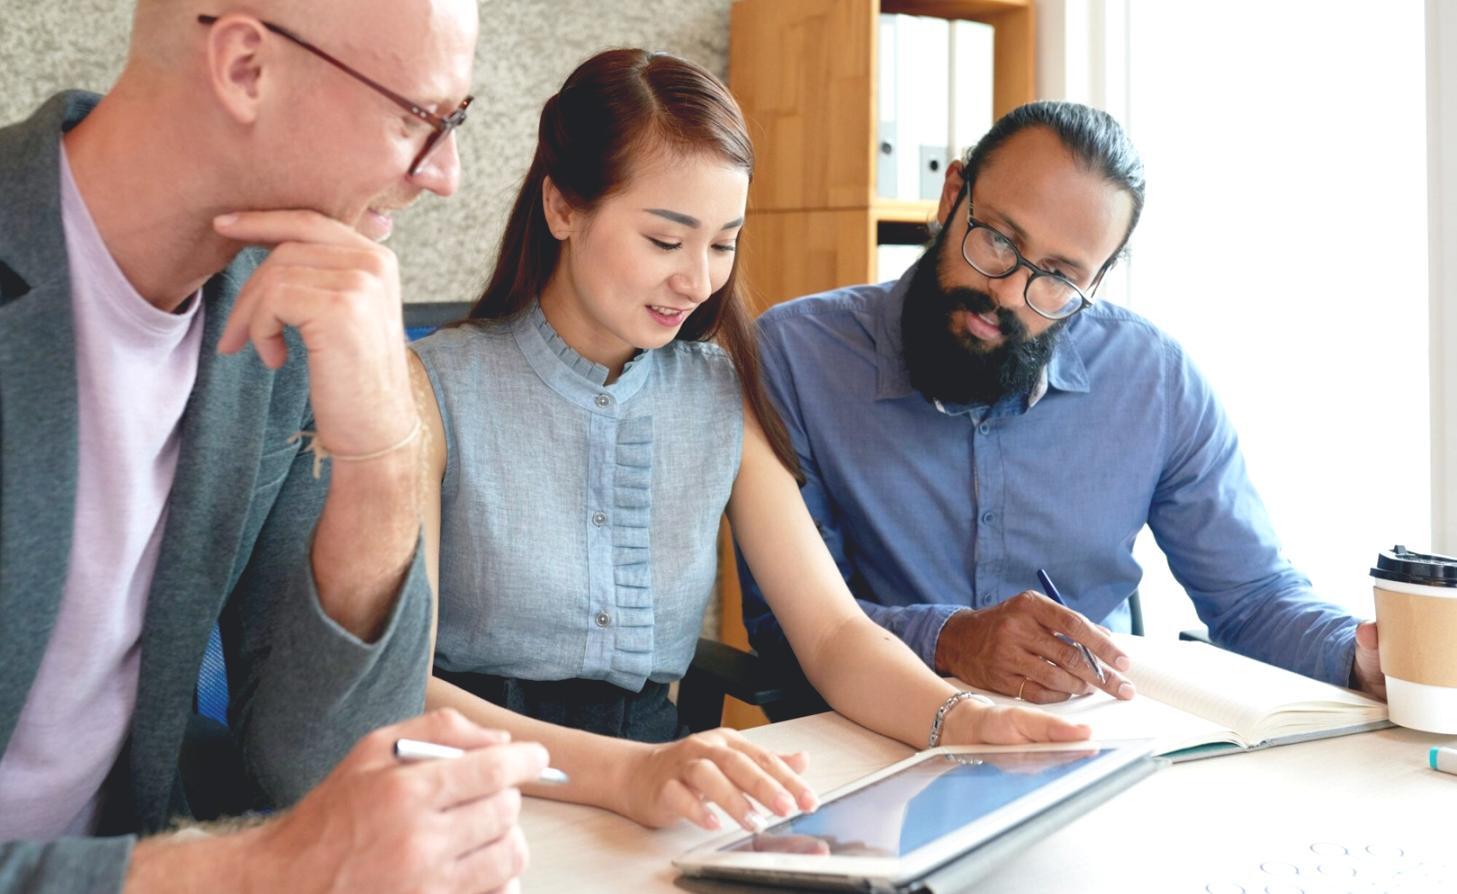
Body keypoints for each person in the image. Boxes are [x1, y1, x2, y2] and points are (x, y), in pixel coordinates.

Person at [409, 48, 1090, 839]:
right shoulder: (431, 386)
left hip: (652, 803)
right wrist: (628, 774)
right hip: (471, 793)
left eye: (723, 243)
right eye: (666, 241)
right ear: (562, 208)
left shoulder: (714, 388)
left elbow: (832, 633)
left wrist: (959, 719)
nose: (698, 280)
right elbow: (396, 689)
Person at [0, 2, 543, 891]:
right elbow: (306, 842)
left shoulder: (289, 313)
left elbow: (320, 764)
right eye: (421, 117)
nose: (446, 174)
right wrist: (258, 868)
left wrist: (380, 452)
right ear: (247, 67)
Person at [736, 100, 1385, 713]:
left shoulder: (1151, 379)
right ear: (951, 193)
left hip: (1089, 743)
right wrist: (953, 639)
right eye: (996, 239)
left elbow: (1250, 599)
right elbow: (789, 623)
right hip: (873, 731)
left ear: (1095, 280)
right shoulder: (794, 357)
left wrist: (1359, 658)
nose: (1010, 293)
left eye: (1059, 275)